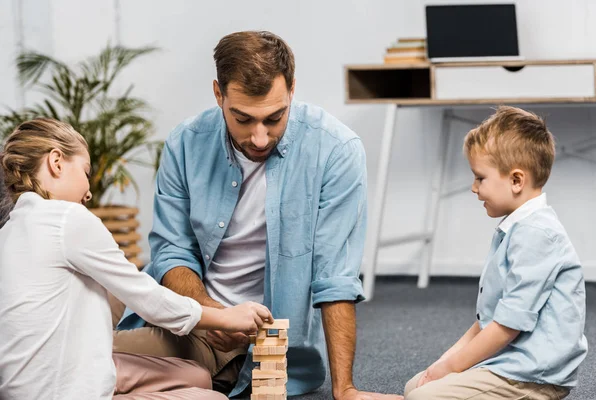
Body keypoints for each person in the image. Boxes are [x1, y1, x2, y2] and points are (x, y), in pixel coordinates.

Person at [113, 31, 401, 400]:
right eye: (244, 119)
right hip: (189, 319)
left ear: (292, 89)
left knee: (89, 360)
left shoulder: (335, 150)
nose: (261, 138)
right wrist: (210, 312)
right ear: (219, 94)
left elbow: (336, 276)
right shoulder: (184, 143)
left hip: (256, 349)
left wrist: (344, 389)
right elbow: (172, 251)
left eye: (274, 118)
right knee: (81, 327)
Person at [0, 118, 273, 400]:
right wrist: (227, 317)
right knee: (213, 398)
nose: (89, 191)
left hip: (32, 381)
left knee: (198, 376)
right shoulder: (68, 219)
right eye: (85, 172)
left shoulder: (8, 232)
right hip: (63, 389)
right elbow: (149, 300)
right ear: (57, 162)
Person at [403, 106, 588, 400]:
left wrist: (452, 367)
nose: (474, 188)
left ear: (516, 180)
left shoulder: (536, 234)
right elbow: (487, 321)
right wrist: (442, 365)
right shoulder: (515, 228)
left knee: (422, 396)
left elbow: (506, 327)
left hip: (533, 375)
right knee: (415, 386)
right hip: (510, 361)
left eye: (480, 178)